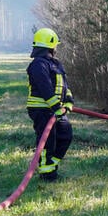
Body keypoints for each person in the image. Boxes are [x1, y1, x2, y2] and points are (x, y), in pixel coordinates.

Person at [26, 28, 74, 182]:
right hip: (41, 110)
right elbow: (45, 87)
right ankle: (47, 175)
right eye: (55, 45)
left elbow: (64, 85)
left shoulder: (56, 64)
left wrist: (68, 101)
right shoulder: (38, 65)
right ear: (50, 45)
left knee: (66, 135)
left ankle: (51, 165)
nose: (56, 48)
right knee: (47, 141)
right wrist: (56, 108)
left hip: (56, 110)